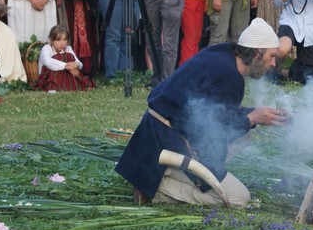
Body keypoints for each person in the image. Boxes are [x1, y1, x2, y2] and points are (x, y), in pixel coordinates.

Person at [114, 18, 286, 208]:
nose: (273, 63)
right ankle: (159, 189)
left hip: (159, 133)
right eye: (271, 56)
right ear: (256, 53)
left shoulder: (222, 55)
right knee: (239, 198)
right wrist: (252, 117)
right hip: (167, 142)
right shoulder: (230, 76)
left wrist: (254, 115)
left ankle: (170, 177)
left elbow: (216, 113)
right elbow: (215, 132)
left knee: (244, 136)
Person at [34, 25, 94, 91]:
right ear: (51, 40)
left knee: (70, 57)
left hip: (65, 77)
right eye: (58, 40)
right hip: (48, 77)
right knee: (59, 58)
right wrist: (68, 67)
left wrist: (75, 64)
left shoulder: (68, 48)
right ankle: (53, 87)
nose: (62, 43)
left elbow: (80, 64)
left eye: (64, 40)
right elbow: (48, 62)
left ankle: (70, 86)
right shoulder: (46, 48)